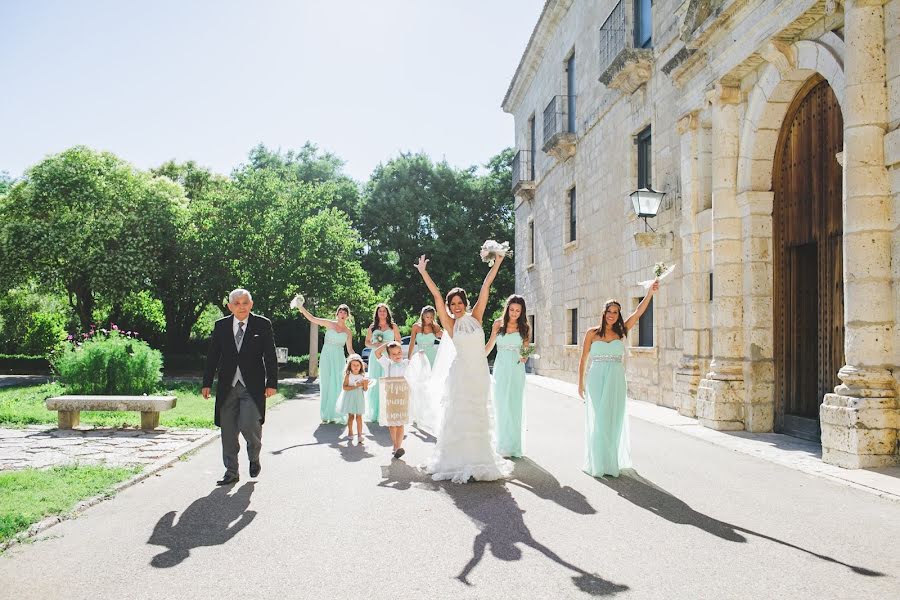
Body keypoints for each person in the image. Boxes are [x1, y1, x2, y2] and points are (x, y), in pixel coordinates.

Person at [414, 252, 513, 483]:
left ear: (465, 304)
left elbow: (486, 285)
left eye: (460, 303)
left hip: (479, 373)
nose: (456, 307)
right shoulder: (450, 323)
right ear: (449, 307)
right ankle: (458, 460)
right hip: (461, 374)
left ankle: (481, 460)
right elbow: (436, 295)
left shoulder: (476, 317)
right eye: (453, 304)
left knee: (478, 416)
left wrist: (497, 262)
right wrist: (423, 273)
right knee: (460, 416)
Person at [577, 281, 658, 478]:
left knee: (612, 419)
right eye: (609, 311)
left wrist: (650, 293)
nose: (612, 315)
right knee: (599, 419)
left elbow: (638, 313)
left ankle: (610, 460)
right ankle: (598, 462)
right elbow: (583, 359)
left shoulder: (622, 331)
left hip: (615, 379)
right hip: (596, 378)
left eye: (616, 312)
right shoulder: (592, 333)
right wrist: (580, 383)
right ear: (604, 313)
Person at [202, 288, 278, 486]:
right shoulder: (221, 326)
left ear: (251, 304)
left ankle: (254, 456)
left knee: (249, 423)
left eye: (245, 303)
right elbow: (213, 356)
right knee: (227, 430)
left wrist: (272, 383)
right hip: (227, 386)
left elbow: (270, 355)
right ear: (229, 306)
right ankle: (231, 471)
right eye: (237, 303)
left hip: (251, 387)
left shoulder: (262, 324)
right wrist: (207, 382)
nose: (241, 307)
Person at [485, 295, 530, 458]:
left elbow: (526, 351)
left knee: (514, 405)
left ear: (522, 311)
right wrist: (477, 356)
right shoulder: (498, 324)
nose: (514, 313)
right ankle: (501, 444)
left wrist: (524, 356)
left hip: (517, 370)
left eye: (518, 310)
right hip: (501, 367)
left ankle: (514, 446)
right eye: (512, 309)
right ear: (507, 309)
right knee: (500, 404)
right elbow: (490, 345)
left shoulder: (525, 327)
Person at [295, 302, 355, 426]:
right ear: (337, 314)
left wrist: (356, 358)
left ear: (347, 316)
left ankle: (336, 413)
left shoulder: (348, 332)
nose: (342, 314)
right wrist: (301, 307)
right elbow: (312, 319)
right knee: (327, 383)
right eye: (341, 312)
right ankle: (326, 414)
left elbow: (349, 349)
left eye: (345, 312)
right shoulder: (329, 324)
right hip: (326, 356)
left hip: (339, 358)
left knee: (337, 384)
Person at [374, 341, 412, 458]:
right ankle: (395, 445)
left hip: (402, 396)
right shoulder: (387, 364)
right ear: (389, 356)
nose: (397, 355)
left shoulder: (407, 363)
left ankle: (397, 447)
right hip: (390, 397)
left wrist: (420, 356)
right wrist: (386, 343)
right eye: (394, 354)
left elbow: (418, 367)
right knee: (392, 424)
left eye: (399, 352)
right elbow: (377, 352)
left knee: (400, 423)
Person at [364, 303, 401, 422]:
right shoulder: (372, 327)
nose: (382, 313)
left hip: (388, 356)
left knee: (388, 381)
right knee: (375, 382)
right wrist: (373, 345)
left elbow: (398, 341)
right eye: (380, 311)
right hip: (375, 356)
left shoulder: (393, 326)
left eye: (384, 311)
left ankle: (388, 411)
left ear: (387, 313)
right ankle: (375, 412)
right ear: (377, 313)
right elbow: (366, 343)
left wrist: (392, 348)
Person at [336, 354, 369, 445]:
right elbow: (345, 387)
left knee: (359, 417)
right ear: (350, 366)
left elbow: (365, 389)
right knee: (351, 416)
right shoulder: (348, 376)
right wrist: (355, 386)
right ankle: (350, 431)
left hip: (359, 397)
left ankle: (359, 435)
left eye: (357, 365)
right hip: (350, 397)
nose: (355, 367)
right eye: (353, 365)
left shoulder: (362, 376)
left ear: (361, 366)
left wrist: (365, 383)